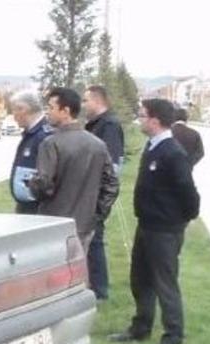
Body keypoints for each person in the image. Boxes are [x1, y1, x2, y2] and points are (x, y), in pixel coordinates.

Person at [108, 99, 200, 344]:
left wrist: (182, 219)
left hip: (165, 230)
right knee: (140, 279)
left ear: (155, 120)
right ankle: (140, 327)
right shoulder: (152, 146)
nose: (139, 120)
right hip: (146, 225)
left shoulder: (172, 152)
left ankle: (173, 337)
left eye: (142, 116)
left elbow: (189, 193)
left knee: (165, 283)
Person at [28, 87, 119, 254]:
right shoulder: (97, 144)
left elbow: (44, 184)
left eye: (51, 107)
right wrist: (96, 215)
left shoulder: (51, 144)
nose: (47, 112)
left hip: (54, 224)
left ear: (66, 111)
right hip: (84, 226)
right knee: (78, 267)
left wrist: (32, 184)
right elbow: (111, 184)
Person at [83, 85, 125, 300]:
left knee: (95, 240)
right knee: (89, 240)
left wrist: (101, 198)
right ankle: (90, 283)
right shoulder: (93, 124)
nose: (83, 105)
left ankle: (99, 290)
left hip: (97, 194)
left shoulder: (109, 125)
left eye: (86, 100)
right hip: (87, 191)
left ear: (98, 101)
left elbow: (112, 165)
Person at [8, 90, 52, 214]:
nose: (13, 115)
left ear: (24, 109)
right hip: (26, 206)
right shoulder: (30, 134)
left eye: (15, 110)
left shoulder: (43, 136)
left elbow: (48, 176)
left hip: (37, 208)